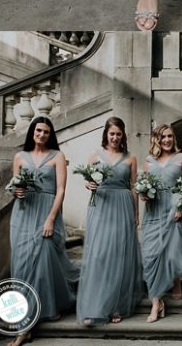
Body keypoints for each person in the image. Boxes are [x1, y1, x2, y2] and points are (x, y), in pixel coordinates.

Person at [9, 117, 78, 342]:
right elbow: (15, 185)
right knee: (22, 264)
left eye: (46, 132)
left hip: (47, 213)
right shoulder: (19, 157)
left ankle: (26, 324)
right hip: (23, 213)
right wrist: (16, 192)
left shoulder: (57, 156)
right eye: (38, 130)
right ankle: (30, 310)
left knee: (42, 260)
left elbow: (60, 191)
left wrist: (50, 219)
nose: (42, 135)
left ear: (51, 135)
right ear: (32, 132)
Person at [77, 117, 143, 326]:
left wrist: (136, 213)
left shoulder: (131, 158)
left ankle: (116, 305)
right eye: (112, 133)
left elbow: (133, 186)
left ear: (123, 135)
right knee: (98, 255)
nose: (115, 137)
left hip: (122, 205)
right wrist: (88, 184)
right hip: (101, 207)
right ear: (106, 133)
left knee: (119, 255)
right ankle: (94, 307)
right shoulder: (95, 156)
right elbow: (89, 181)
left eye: (119, 134)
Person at [139, 124, 182, 323]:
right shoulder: (149, 160)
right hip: (153, 210)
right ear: (157, 139)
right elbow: (144, 185)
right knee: (151, 255)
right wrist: (143, 194)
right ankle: (157, 301)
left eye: (170, 136)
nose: (167, 140)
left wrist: (181, 207)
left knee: (171, 250)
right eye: (163, 137)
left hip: (173, 208)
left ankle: (174, 280)